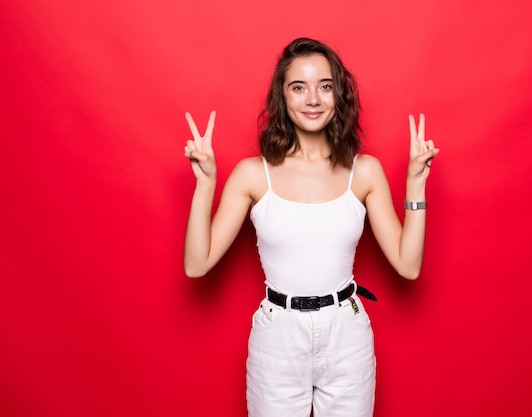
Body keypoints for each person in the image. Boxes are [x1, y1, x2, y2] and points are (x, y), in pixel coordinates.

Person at [183, 37, 439, 417]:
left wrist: (416, 186)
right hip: (278, 337)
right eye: (298, 87)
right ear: (282, 98)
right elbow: (196, 264)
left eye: (325, 86)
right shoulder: (254, 175)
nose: (313, 99)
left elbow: (408, 266)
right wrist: (205, 185)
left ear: (338, 94)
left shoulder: (363, 171)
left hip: (346, 333)